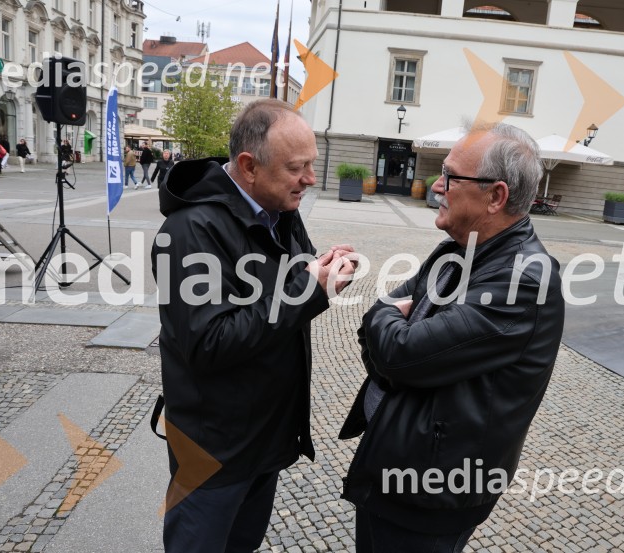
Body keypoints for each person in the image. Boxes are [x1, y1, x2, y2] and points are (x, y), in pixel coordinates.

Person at [339, 123, 566, 552]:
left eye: (450, 177)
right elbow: (383, 325)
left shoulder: (525, 280)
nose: (437, 186)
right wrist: (390, 321)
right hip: (399, 466)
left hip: (431, 493)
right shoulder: (456, 250)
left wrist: (390, 322)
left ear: (496, 196)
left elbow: (397, 352)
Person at [151, 98, 358, 553]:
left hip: (265, 437)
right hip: (212, 450)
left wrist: (323, 272)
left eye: (312, 165)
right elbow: (210, 342)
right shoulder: (189, 233)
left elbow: (287, 292)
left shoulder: (281, 210)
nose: (309, 179)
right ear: (248, 166)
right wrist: (311, 290)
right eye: (296, 168)